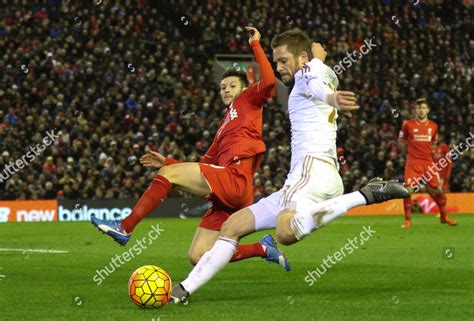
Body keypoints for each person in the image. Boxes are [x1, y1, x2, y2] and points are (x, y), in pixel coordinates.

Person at [170, 28, 409, 303]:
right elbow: (316, 71)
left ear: (302, 58)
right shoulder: (320, 69)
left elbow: (315, 84)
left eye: (283, 60)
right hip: (306, 177)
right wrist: (317, 59)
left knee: (285, 232)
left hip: (312, 170)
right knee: (233, 225)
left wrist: (331, 97)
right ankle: (184, 289)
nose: (278, 67)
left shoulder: (308, 74)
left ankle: (366, 194)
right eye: (276, 61)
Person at [91, 27, 291, 270]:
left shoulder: (248, 100)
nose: (226, 89)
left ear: (244, 89)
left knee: (168, 177)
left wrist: (256, 44)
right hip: (228, 193)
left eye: (231, 85)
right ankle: (263, 248)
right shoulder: (223, 127)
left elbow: (270, 81)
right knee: (200, 255)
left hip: (235, 180)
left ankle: (125, 227)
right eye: (222, 87)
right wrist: (166, 162)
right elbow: (204, 164)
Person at [399, 98, 457, 228]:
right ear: (415, 110)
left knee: (438, 190)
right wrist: (408, 154)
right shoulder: (408, 124)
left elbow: (434, 144)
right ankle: (407, 220)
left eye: (423, 108)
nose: (421, 110)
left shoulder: (433, 126)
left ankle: (444, 216)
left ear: (428, 110)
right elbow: (401, 141)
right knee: (408, 190)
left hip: (428, 163)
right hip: (413, 163)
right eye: (419, 108)